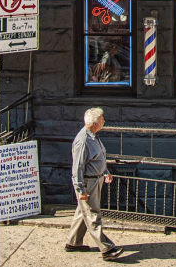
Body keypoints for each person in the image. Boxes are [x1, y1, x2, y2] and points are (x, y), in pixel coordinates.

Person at [65, 107, 125, 262]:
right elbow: (77, 167)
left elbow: (98, 157)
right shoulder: (83, 140)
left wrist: (105, 172)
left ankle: (73, 243)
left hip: (95, 179)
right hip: (88, 181)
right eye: (102, 119)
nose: (104, 121)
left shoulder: (93, 136)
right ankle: (106, 249)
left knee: (83, 213)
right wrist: (80, 189)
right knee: (92, 215)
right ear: (95, 123)